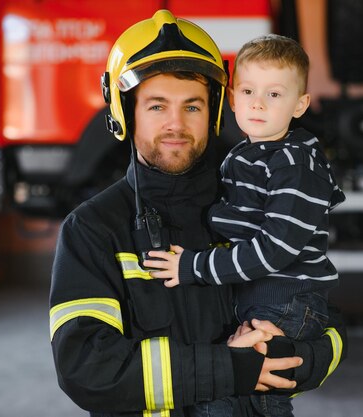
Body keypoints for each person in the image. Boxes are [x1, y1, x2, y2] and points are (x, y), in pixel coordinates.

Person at [48, 10, 346, 417]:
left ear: (216, 111)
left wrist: (283, 353)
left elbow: (326, 324)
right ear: (124, 113)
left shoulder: (246, 208)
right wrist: (232, 368)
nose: (176, 124)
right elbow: (87, 370)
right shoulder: (92, 229)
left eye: (192, 107)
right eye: (156, 107)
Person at [143, 34, 345, 417]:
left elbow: (276, 249)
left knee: (263, 391)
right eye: (249, 90)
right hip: (261, 295)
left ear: (300, 105)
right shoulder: (246, 154)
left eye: (274, 94)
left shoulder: (295, 164)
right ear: (232, 97)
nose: (257, 102)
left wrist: (193, 268)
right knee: (242, 390)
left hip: (285, 298)